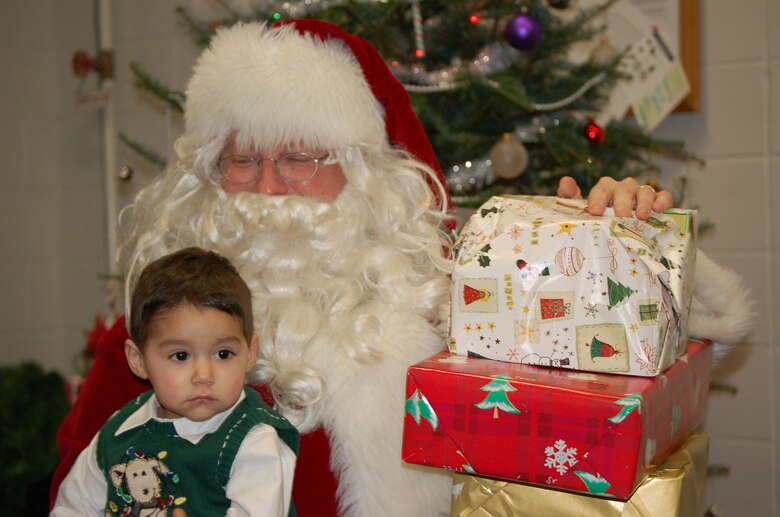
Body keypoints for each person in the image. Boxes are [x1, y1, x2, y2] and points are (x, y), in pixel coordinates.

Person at [51, 19, 674, 517]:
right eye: (241, 159)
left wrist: (619, 238)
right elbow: (79, 491)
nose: (268, 189)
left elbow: (620, 358)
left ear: (365, 171)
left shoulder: (450, 301)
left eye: (298, 156)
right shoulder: (159, 338)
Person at [51, 247, 299, 516]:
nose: (204, 375)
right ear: (138, 360)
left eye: (223, 354)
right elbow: (72, 508)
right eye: (180, 356)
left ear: (250, 354)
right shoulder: (118, 433)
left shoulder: (253, 441)